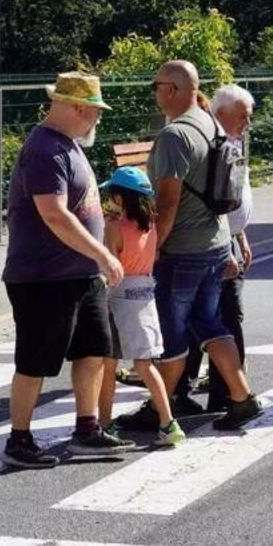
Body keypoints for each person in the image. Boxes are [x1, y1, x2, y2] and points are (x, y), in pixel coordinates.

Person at [0, 72, 132, 469]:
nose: (98, 119)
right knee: (35, 361)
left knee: (93, 351)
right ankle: (19, 440)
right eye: (96, 112)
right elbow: (54, 215)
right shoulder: (45, 150)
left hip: (80, 273)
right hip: (44, 276)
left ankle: (87, 430)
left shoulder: (66, 144)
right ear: (78, 108)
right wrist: (104, 254)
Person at [142, 60, 262, 431]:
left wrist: (153, 248)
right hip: (215, 243)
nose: (155, 92)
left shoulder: (175, 135)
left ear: (171, 90)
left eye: (156, 85)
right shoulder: (211, 124)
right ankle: (242, 396)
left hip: (182, 250)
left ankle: (160, 408)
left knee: (173, 333)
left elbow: (168, 201)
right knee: (209, 322)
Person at [179, 85, 256, 414]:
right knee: (220, 319)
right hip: (214, 246)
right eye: (243, 117)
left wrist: (241, 236)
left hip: (227, 241)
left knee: (209, 318)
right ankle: (225, 394)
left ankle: (208, 392)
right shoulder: (212, 144)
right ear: (221, 114)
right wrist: (228, 245)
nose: (248, 123)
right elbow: (211, 205)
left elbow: (230, 200)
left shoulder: (230, 142)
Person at [96, 166, 181, 446]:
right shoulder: (150, 226)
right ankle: (168, 422)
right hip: (145, 294)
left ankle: (104, 423)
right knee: (146, 364)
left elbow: (110, 266)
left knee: (108, 365)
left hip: (118, 298)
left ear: (120, 198)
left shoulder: (114, 228)